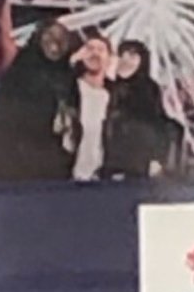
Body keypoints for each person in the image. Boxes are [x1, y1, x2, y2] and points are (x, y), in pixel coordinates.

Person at [0, 0, 76, 184]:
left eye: (59, 41)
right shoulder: (17, 62)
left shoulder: (66, 80)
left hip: (43, 162)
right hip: (4, 155)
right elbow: (0, 31)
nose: (54, 45)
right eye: (49, 37)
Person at [103, 40, 173, 180]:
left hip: (139, 161)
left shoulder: (149, 89)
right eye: (123, 55)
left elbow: (157, 124)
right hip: (109, 161)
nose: (126, 61)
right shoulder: (108, 86)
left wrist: (156, 158)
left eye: (133, 56)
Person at [62, 35, 113, 183]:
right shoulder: (68, 90)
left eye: (101, 50)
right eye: (89, 49)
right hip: (68, 178)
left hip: (103, 181)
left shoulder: (116, 96)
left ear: (110, 59)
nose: (95, 53)